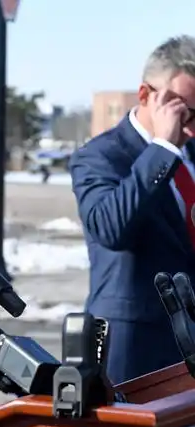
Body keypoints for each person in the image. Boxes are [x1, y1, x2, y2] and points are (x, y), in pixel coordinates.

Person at [68, 35, 195, 386]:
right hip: (136, 348)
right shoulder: (100, 156)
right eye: (185, 111)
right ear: (146, 96)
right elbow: (111, 228)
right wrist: (164, 147)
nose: (191, 126)